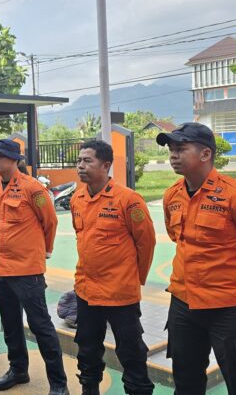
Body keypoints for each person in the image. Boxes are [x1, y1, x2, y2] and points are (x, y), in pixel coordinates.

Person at [157, 123, 236, 395]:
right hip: (183, 304)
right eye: (171, 150)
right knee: (186, 382)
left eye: (181, 148)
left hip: (229, 307)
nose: (173, 155)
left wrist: (232, 279)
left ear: (205, 155)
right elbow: (177, 237)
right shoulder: (172, 196)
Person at [70, 140, 156, 395]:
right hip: (87, 292)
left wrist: (134, 279)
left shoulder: (128, 200)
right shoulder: (78, 198)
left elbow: (146, 243)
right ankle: (89, 388)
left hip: (121, 295)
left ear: (106, 165)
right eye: (79, 161)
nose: (81, 166)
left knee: (131, 351)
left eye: (88, 161)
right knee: (87, 348)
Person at [0, 139, 69, 395]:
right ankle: (18, 370)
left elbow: (50, 222)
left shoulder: (32, 188)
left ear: (14, 160)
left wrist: (44, 251)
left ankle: (58, 384)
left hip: (27, 271)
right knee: (10, 324)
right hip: (1, 268)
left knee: (41, 326)